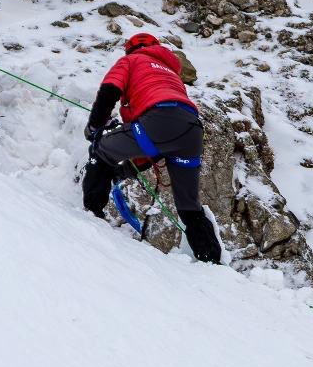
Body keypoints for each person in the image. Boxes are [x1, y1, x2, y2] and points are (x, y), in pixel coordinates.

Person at [82, 32, 223, 264]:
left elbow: (109, 90)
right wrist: (126, 168)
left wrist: (95, 127)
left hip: (159, 119)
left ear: (130, 49)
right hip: (192, 130)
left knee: (101, 149)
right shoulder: (171, 72)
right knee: (188, 205)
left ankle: (91, 216)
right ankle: (212, 261)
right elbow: (155, 144)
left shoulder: (131, 60)